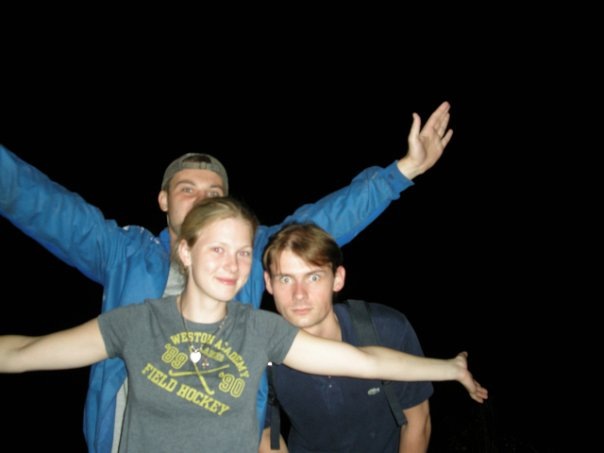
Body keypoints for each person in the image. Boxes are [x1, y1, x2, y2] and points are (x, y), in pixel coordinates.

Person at [0, 101, 453, 453]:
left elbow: (323, 222)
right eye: (187, 189)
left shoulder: (251, 258)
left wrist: (403, 171)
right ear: (163, 200)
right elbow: (41, 203)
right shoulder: (123, 254)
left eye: (214, 192)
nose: (202, 199)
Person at [0, 197, 488, 453]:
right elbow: (23, 353)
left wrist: (448, 368)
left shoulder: (260, 331)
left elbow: (364, 361)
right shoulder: (135, 324)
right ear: (185, 251)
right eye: (217, 248)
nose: (232, 264)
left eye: (242, 252)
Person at [260, 223, 440, 452]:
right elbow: (265, 434)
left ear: (338, 278)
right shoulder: (258, 353)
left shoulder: (385, 330)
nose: (299, 294)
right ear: (269, 283)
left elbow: (418, 420)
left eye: (313, 277)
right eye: (286, 279)